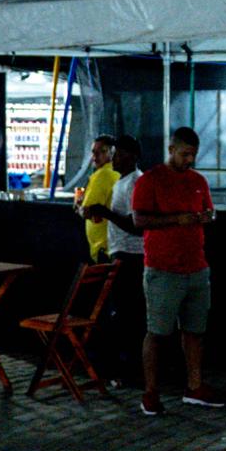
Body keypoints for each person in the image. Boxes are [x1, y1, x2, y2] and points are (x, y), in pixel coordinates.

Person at [133, 126, 223, 414]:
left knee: (195, 331)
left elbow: (210, 211)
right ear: (171, 150)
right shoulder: (150, 180)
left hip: (196, 266)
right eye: (185, 154)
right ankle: (150, 392)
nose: (190, 160)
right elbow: (139, 220)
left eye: (193, 155)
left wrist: (207, 216)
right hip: (163, 268)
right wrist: (176, 220)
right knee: (157, 332)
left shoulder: (198, 181)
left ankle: (194, 386)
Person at [85, 135, 146, 386]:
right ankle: (124, 367)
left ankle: (130, 370)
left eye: (119, 155)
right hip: (120, 252)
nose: (114, 159)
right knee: (122, 313)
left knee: (128, 315)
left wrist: (105, 212)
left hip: (131, 256)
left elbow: (136, 225)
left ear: (132, 156)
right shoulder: (122, 181)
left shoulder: (135, 183)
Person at [77, 136, 119, 258]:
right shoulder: (118, 172)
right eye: (94, 152)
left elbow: (87, 211)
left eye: (102, 151)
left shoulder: (102, 175)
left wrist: (78, 207)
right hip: (115, 244)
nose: (96, 156)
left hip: (103, 247)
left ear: (113, 152)